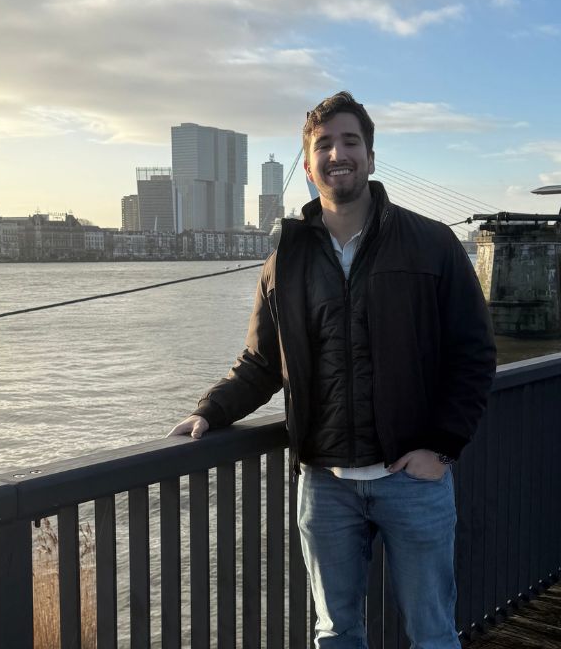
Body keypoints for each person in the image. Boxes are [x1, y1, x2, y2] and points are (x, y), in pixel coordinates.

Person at [169, 92, 496, 649]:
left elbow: (472, 354)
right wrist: (210, 410)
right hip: (326, 485)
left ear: (370, 156)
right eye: (323, 145)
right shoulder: (288, 258)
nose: (337, 154)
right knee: (335, 634)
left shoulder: (432, 243)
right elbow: (262, 361)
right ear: (307, 163)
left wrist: (441, 447)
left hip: (411, 481)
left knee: (434, 635)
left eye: (350, 142)